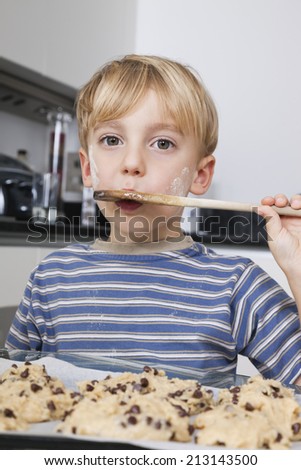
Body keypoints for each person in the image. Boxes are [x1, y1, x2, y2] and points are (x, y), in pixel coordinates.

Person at [5, 54, 301, 385]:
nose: (132, 163)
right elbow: (12, 387)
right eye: (112, 140)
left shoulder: (235, 286)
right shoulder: (49, 279)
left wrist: (299, 266)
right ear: (88, 169)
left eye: (162, 143)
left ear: (200, 175)